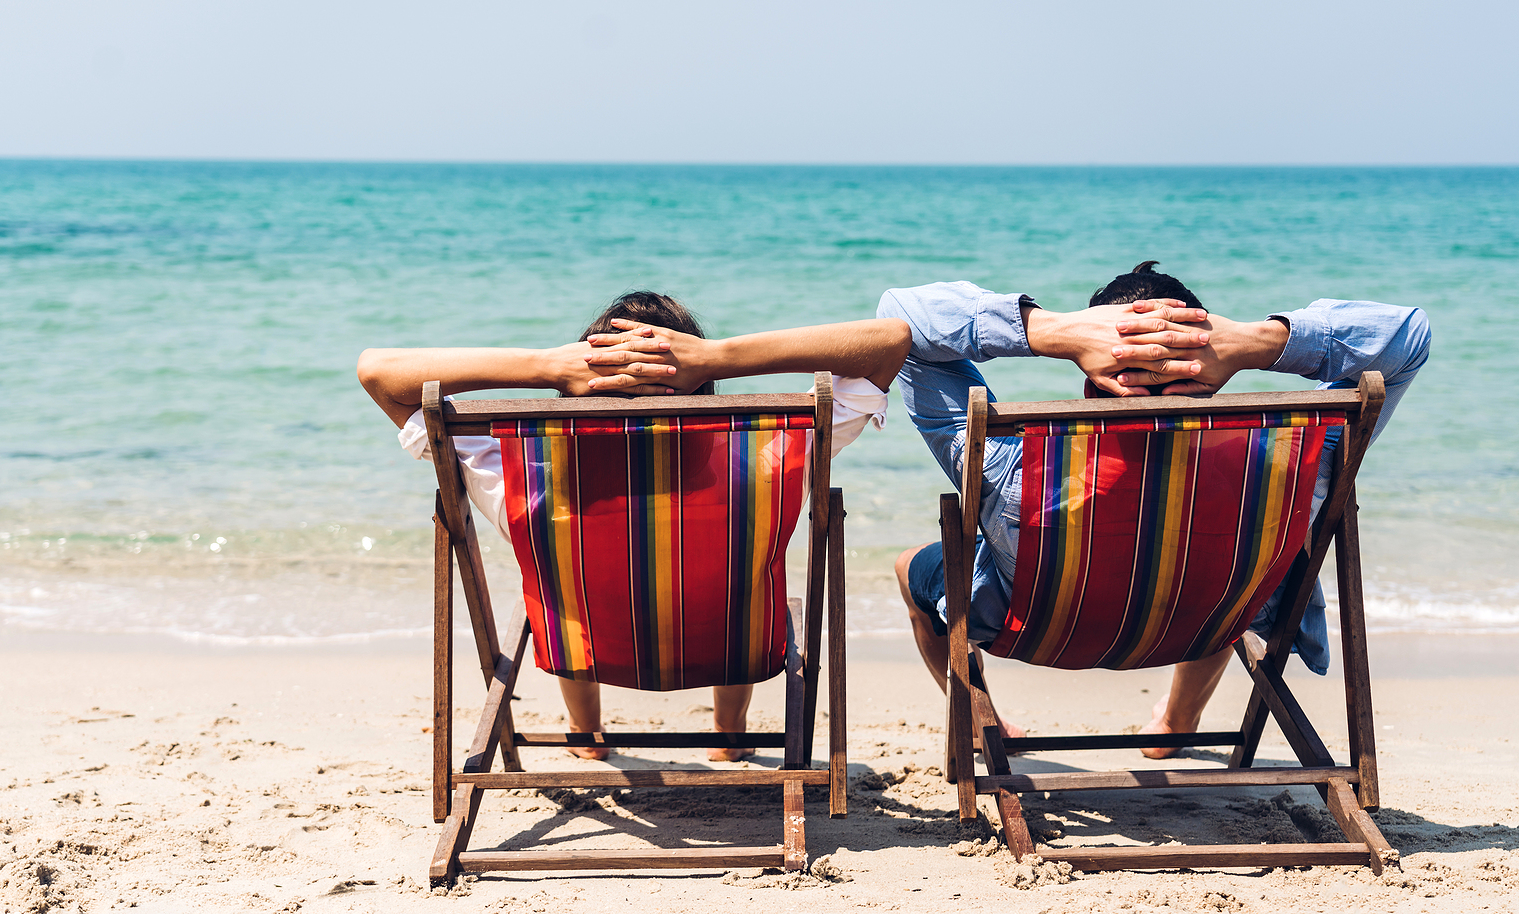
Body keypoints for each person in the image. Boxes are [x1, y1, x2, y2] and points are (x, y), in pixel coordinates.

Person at [876, 263, 1431, 757]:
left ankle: (981, 723)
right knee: (1227, 557)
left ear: (1091, 385)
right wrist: (1257, 342)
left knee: (912, 568)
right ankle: (1177, 722)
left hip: (1038, 628)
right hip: (1213, 620)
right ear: (1210, 377)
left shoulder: (1011, 470)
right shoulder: (1289, 463)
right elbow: (1407, 336)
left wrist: (1053, 332)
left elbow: (901, 320)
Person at [358, 291, 910, 761]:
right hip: (732, 644)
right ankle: (730, 735)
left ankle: (586, 733)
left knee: (566, 586)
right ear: (700, 383)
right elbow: (890, 341)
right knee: (732, 578)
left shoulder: (523, 481)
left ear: (577, 383)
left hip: (586, 644)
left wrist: (544, 365)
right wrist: (719, 357)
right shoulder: (769, 459)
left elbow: (378, 372)